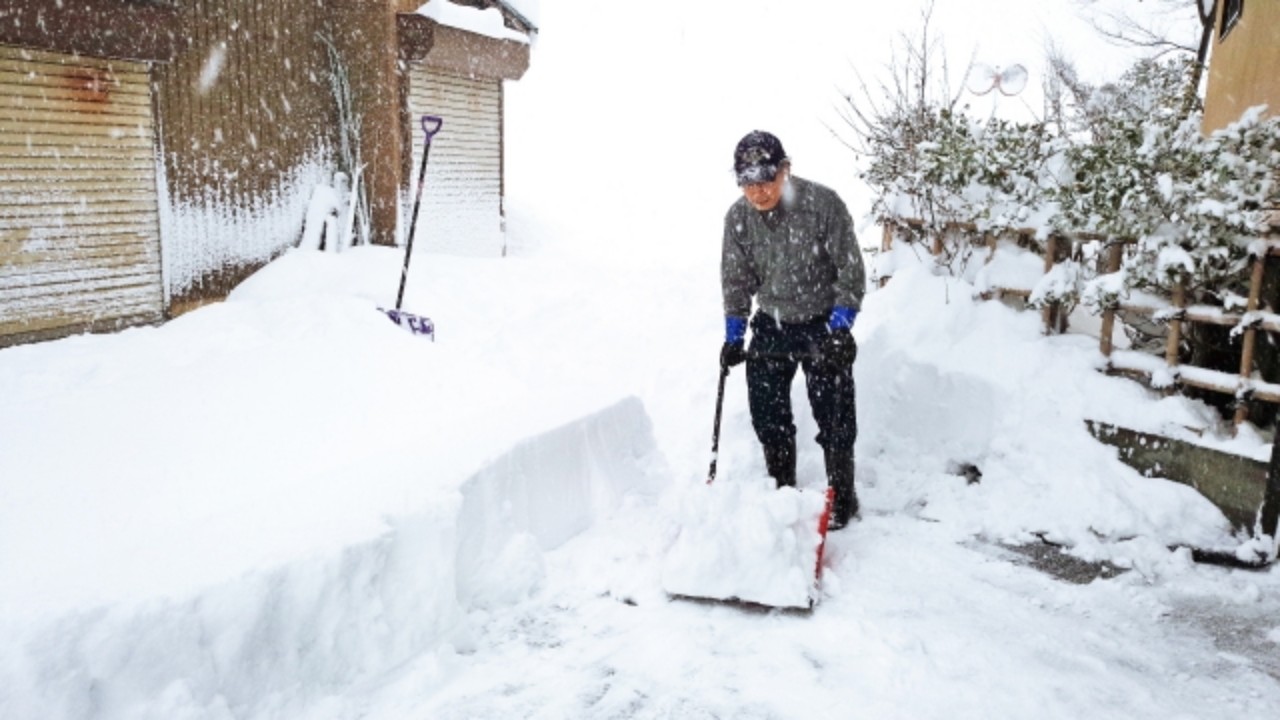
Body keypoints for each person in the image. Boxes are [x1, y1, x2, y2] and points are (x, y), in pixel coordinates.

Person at [719, 130, 866, 529]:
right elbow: (736, 281)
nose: (758, 191)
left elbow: (850, 273)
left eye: (766, 179)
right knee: (769, 417)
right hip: (772, 326)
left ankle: (841, 499)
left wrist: (840, 328)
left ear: (785, 169)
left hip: (822, 323)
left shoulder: (823, 206)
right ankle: (782, 495)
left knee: (835, 418)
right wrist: (734, 336)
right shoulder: (738, 219)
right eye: (747, 183)